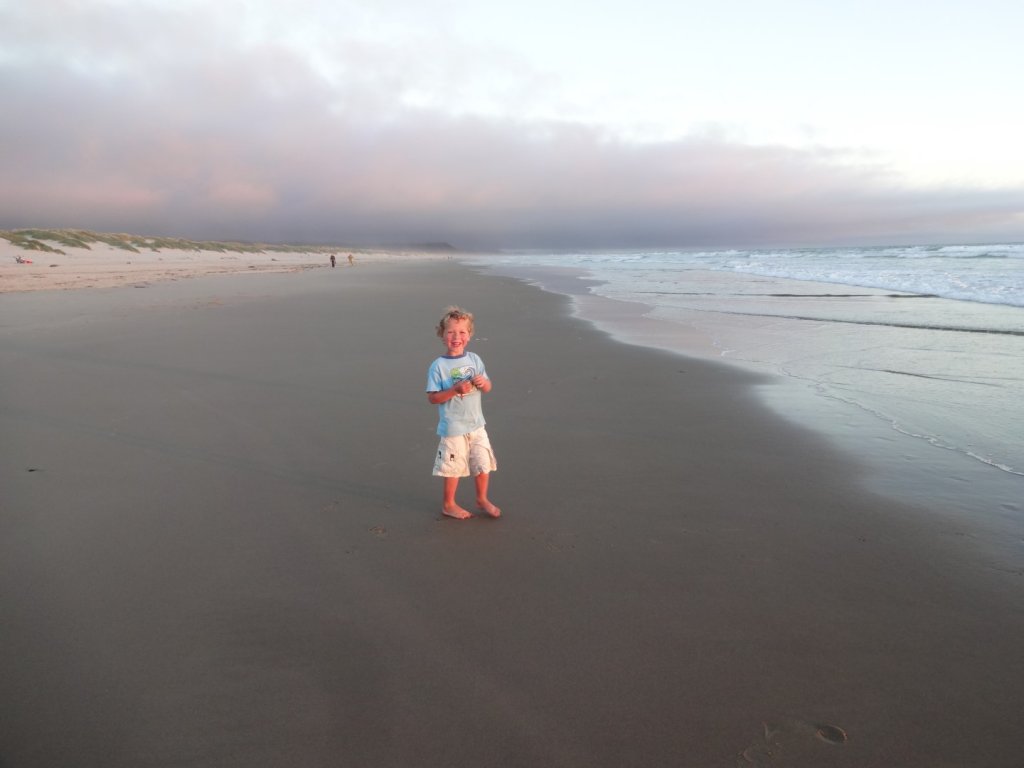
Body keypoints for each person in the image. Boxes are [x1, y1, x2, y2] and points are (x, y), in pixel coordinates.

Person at [426, 306, 501, 519]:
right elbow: (432, 398)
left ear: (469, 335)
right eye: (451, 332)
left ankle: (482, 498)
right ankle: (448, 504)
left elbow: (488, 388)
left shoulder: (475, 360)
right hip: (453, 427)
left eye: (462, 332)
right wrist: (453, 390)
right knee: (453, 467)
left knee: (483, 463)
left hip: (477, 424)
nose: (456, 337)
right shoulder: (438, 366)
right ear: (442, 335)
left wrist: (483, 382)